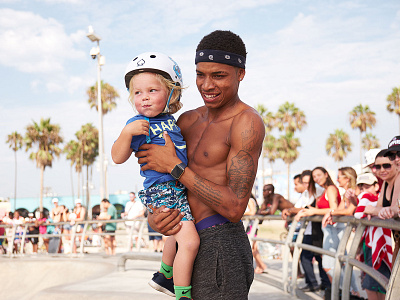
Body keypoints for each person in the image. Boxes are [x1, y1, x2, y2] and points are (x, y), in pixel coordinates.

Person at [135, 30, 265, 299]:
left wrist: (175, 166)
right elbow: (160, 178)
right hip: (184, 239)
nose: (207, 85)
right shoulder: (186, 120)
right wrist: (156, 217)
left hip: (221, 242)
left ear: (240, 73)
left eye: (218, 76)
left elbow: (234, 207)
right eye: (200, 74)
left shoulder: (246, 123)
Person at [111, 51, 199, 300]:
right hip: (162, 188)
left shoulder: (171, 120)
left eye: (152, 91)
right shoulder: (139, 124)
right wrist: (127, 133)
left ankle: (165, 273)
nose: (144, 98)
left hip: (177, 185)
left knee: (175, 233)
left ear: (172, 93)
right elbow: (117, 157)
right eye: (137, 93)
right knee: (190, 242)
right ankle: (182, 294)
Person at [296, 167, 341, 283]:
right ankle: (340, 291)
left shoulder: (330, 189)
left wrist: (314, 211)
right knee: (332, 263)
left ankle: (344, 292)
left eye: (319, 175)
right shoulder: (324, 190)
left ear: (326, 174)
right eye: (314, 177)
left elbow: (333, 209)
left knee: (330, 264)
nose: (316, 179)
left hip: (333, 229)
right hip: (328, 230)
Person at [351, 172, 392, 300]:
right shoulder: (372, 199)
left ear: (376, 186)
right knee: (375, 285)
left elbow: (358, 213)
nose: (364, 191)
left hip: (380, 248)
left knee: (374, 285)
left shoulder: (374, 198)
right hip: (370, 246)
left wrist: (370, 208)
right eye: (361, 188)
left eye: (367, 186)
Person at [362, 149, 400, 264]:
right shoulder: (386, 183)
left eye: (387, 166)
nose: (381, 170)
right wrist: (375, 210)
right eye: (377, 167)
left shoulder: (398, 178)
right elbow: (380, 208)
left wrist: (373, 210)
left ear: (396, 165)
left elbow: (394, 208)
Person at [244, 193, 267, 274]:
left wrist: (241, 214)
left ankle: (261, 265)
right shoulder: (248, 200)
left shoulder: (249, 200)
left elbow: (252, 212)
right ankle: (260, 265)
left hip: (251, 227)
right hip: (250, 226)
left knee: (252, 248)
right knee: (254, 248)